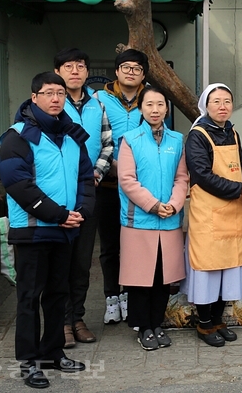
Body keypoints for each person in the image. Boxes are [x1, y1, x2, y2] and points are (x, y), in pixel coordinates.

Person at [0, 72, 95, 389]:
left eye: (61, 93)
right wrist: (59, 215)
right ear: (34, 96)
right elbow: (19, 186)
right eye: (49, 92)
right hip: (33, 233)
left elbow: (85, 179)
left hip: (65, 231)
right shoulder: (16, 136)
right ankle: (28, 362)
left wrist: (79, 212)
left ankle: (53, 352)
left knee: (58, 295)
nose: (56, 98)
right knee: (29, 298)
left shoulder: (71, 135)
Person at [182, 83, 242, 347]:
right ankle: (204, 325)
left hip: (233, 211)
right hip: (209, 213)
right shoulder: (198, 135)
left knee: (228, 269)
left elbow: (241, 163)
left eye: (227, 101)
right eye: (216, 101)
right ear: (206, 105)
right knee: (208, 271)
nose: (222, 106)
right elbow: (202, 176)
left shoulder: (231, 132)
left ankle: (218, 321)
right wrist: (239, 190)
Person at [117, 86, 189, 350]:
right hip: (140, 220)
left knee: (162, 276)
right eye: (149, 105)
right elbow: (127, 180)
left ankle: (157, 323)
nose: (155, 110)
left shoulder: (177, 140)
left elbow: (182, 178)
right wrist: (153, 205)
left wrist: (173, 203)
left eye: (160, 105)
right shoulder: (130, 139)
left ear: (167, 109)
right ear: (141, 108)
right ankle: (143, 327)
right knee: (140, 278)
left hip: (169, 219)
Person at [53, 48, 114, 348]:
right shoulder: (51, 103)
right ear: (58, 71)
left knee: (82, 260)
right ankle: (61, 322)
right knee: (60, 259)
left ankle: (77, 317)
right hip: (57, 195)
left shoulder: (96, 104)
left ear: (88, 72)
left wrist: (95, 175)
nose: (75, 71)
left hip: (88, 191)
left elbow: (107, 143)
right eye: (68, 66)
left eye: (80, 66)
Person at [94, 49, 149, 325]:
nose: (130, 72)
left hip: (138, 187)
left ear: (143, 74)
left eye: (137, 68)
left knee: (133, 244)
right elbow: (92, 138)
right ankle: (111, 297)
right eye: (125, 67)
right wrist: (108, 165)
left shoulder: (150, 100)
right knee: (109, 245)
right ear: (116, 71)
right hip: (106, 184)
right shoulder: (99, 99)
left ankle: (129, 295)